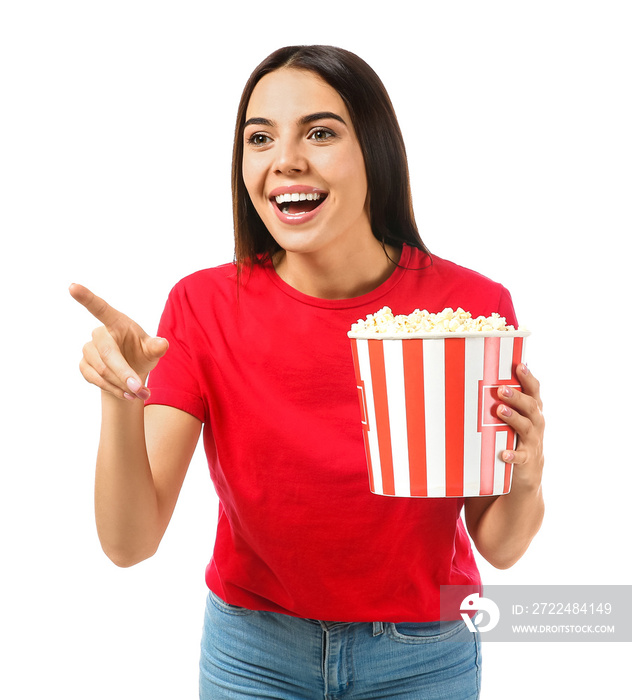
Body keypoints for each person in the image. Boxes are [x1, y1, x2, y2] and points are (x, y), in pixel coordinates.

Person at [70, 45, 545, 700]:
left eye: (319, 132)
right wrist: (121, 399)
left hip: (423, 653)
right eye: (259, 138)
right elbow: (129, 543)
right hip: (253, 652)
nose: (285, 159)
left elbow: (501, 544)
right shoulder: (202, 307)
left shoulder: (469, 311)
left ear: (373, 150)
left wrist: (525, 474)